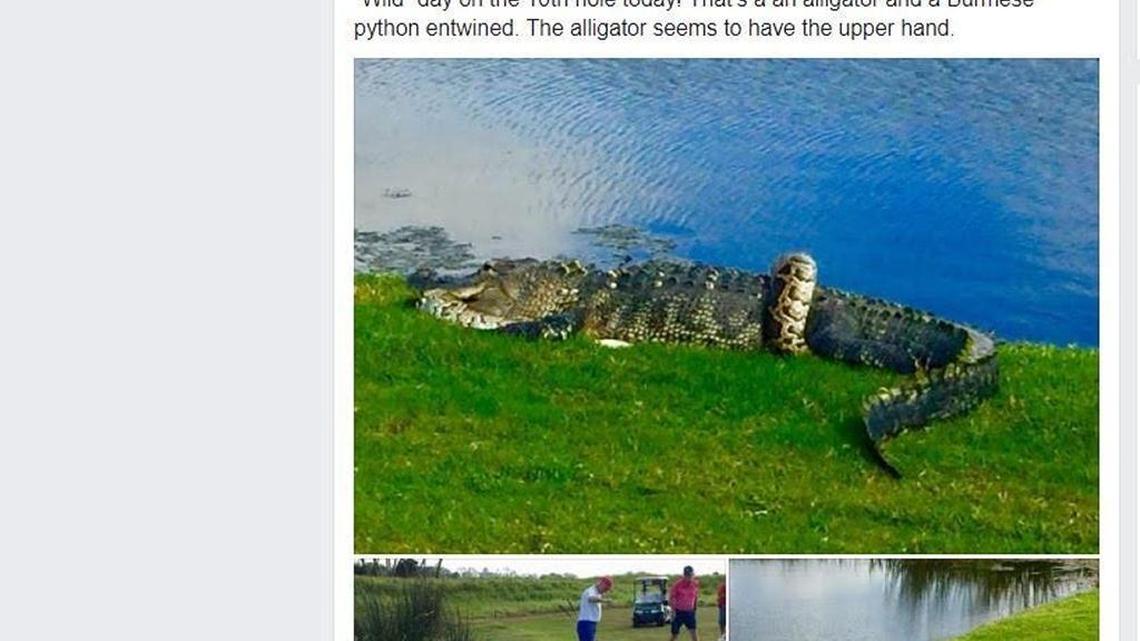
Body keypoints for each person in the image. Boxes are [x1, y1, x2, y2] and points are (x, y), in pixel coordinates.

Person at [577, 575, 614, 641]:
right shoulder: (591, 590)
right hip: (586, 623)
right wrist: (605, 600)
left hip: (591, 623)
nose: (606, 591)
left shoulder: (597, 593)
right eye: (606, 589)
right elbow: (591, 599)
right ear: (602, 584)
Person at [669, 566, 700, 641]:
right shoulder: (677, 585)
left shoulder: (695, 584)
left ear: (693, 575)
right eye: (686, 575)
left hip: (689, 612)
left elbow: (695, 597)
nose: (688, 577)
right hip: (678, 612)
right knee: (675, 634)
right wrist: (673, 611)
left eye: (690, 575)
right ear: (684, 575)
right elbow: (672, 598)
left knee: (694, 633)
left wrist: (695, 608)